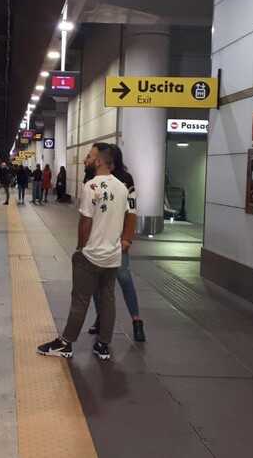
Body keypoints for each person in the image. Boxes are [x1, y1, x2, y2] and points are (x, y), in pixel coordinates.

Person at [37, 143, 129, 360]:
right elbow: (124, 218)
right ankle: (103, 345)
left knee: (80, 300)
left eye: (88, 156)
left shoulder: (91, 187)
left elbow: (85, 222)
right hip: (113, 256)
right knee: (108, 300)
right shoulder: (122, 188)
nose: (85, 160)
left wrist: (80, 248)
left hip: (91, 255)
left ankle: (66, 343)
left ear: (99, 161)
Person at [87, 145, 145, 342]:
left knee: (124, 278)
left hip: (118, 239)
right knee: (96, 282)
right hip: (97, 239)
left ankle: (137, 321)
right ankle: (101, 318)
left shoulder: (125, 180)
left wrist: (127, 237)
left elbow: (132, 211)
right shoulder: (92, 178)